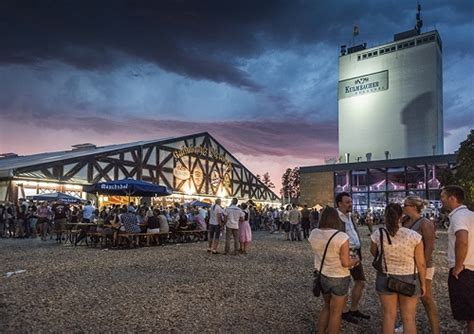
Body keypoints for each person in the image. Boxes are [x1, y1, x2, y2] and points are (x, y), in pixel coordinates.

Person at [370, 203, 426, 334]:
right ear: (401, 216)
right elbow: (421, 263)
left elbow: (374, 253)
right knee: (409, 318)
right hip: (409, 278)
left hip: (386, 276)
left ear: (385, 215)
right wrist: (423, 284)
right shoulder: (414, 236)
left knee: (389, 316)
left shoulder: (378, 234)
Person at [308, 207, 359, 334]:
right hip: (339, 276)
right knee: (336, 313)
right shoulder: (341, 236)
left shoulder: (314, 233)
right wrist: (356, 260)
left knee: (327, 306)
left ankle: (320, 331)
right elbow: (346, 262)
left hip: (323, 274)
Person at [403, 196, 439, 334]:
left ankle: (436, 329)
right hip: (408, 266)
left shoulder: (425, 223)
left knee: (426, 297)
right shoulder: (405, 221)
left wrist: (421, 267)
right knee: (409, 298)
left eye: (405, 205)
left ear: (412, 206)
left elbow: (429, 248)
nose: (403, 207)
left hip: (424, 265)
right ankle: (408, 325)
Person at [440, 185, 474, 333]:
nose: (441, 201)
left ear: (452, 198)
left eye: (443, 198)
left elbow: (462, 239)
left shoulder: (458, 217)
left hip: (465, 269)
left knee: (468, 309)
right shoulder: (471, 215)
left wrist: (458, 265)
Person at [336, 192, 370, 324]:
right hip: (344, 253)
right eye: (347, 202)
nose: (351, 204)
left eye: (351, 202)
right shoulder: (336, 217)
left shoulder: (350, 216)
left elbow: (354, 232)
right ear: (339, 204)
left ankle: (354, 309)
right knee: (344, 284)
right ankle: (343, 312)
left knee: (360, 281)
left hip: (355, 253)